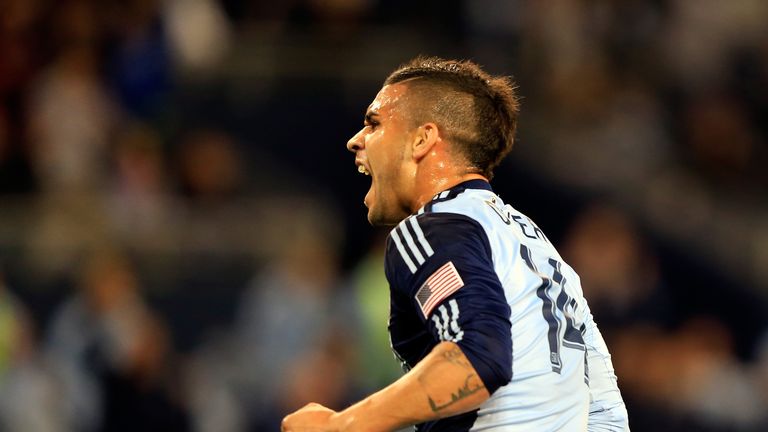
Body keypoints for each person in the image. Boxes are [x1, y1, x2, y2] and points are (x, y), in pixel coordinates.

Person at [282, 56, 629, 431]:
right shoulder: (538, 248)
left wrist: (343, 425)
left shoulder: (433, 228)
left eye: (374, 123)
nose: (356, 140)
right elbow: (605, 412)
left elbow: (477, 358)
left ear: (422, 139)